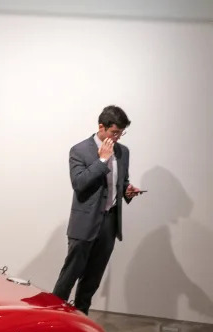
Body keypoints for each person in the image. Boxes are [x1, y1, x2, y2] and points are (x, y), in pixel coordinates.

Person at [52, 106, 145, 314]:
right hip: (85, 223)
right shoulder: (79, 150)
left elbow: (121, 182)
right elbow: (79, 184)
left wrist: (127, 191)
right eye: (114, 132)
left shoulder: (123, 152)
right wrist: (102, 159)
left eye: (121, 133)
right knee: (69, 275)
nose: (118, 137)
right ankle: (54, 318)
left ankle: (81, 320)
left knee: (92, 279)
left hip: (109, 223)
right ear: (101, 127)